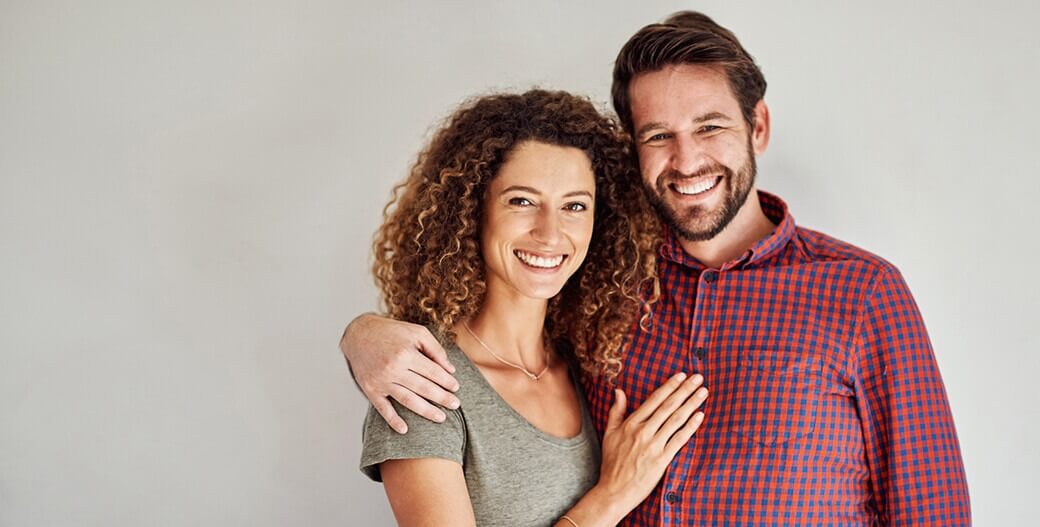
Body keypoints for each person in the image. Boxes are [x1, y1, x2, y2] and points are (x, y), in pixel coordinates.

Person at [345, 12, 972, 526]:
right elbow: (492, 333)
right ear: (631, 148)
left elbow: (931, 511)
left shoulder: (862, 292)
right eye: (657, 135)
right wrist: (362, 335)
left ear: (758, 127)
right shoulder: (600, 288)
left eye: (710, 126)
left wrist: (361, 336)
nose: (687, 159)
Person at [358, 89, 711, 527]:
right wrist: (613, 495)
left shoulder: (585, 362)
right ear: (473, 210)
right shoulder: (423, 385)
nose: (550, 233)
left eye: (575, 206)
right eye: (522, 201)